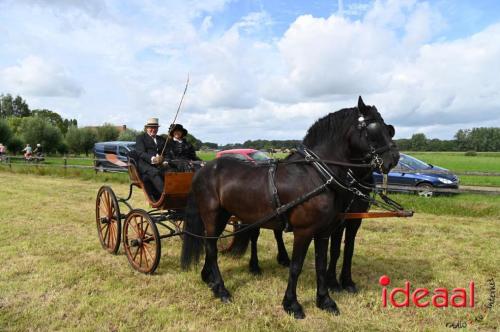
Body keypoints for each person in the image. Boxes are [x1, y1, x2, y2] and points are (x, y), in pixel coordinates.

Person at [134, 118, 168, 200]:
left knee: (173, 171)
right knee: (155, 172)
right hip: (145, 165)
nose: (154, 129)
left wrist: (164, 160)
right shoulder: (140, 138)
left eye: (155, 127)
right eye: (151, 127)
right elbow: (140, 153)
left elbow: (167, 153)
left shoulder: (162, 139)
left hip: (161, 165)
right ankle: (165, 196)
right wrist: (153, 159)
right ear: (147, 128)